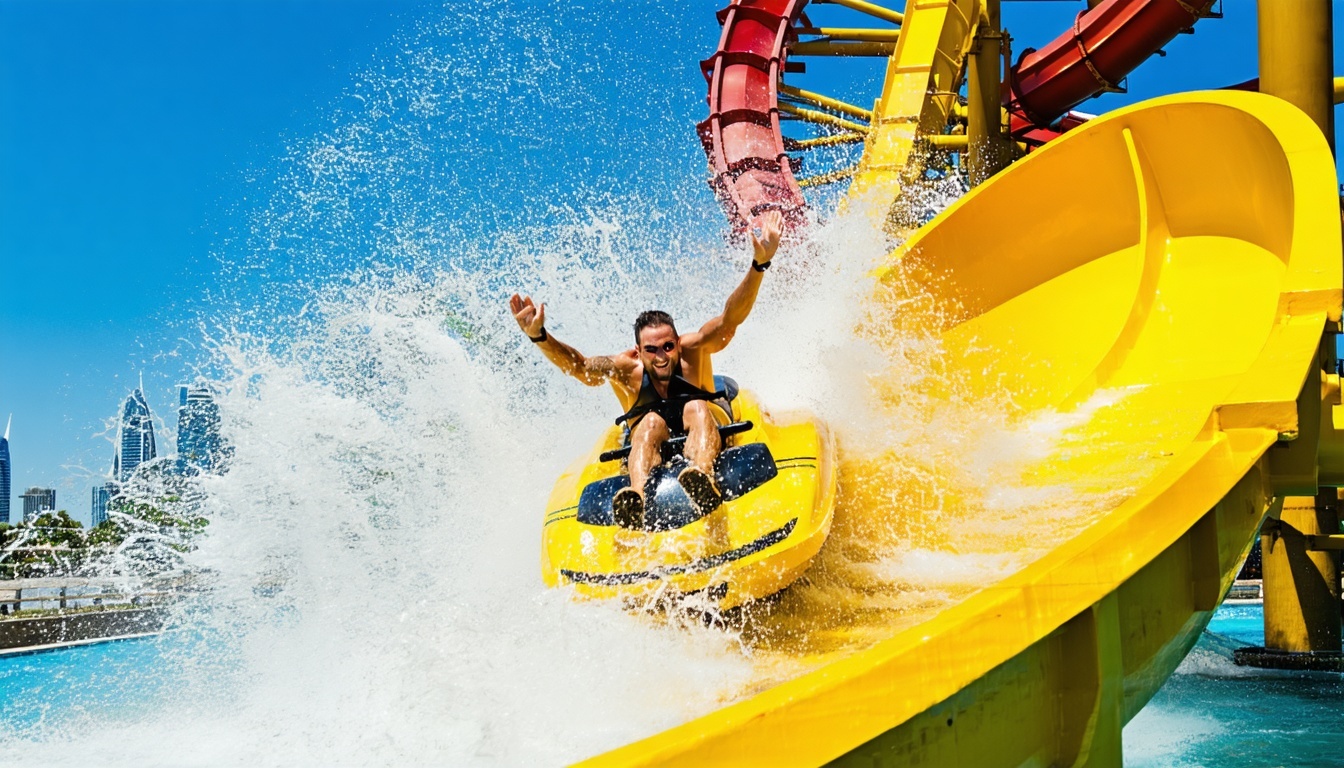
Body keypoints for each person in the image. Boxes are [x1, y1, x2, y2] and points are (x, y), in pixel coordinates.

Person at [509, 210, 783, 527]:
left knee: (694, 406)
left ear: (678, 342)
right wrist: (540, 337)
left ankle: (701, 478)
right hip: (652, 436)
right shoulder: (626, 370)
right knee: (649, 422)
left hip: (708, 421)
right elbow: (580, 367)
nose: (662, 356)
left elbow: (729, 319)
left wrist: (759, 265)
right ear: (638, 351)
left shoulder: (694, 349)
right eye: (651, 350)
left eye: (668, 346)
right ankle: (636, 498)